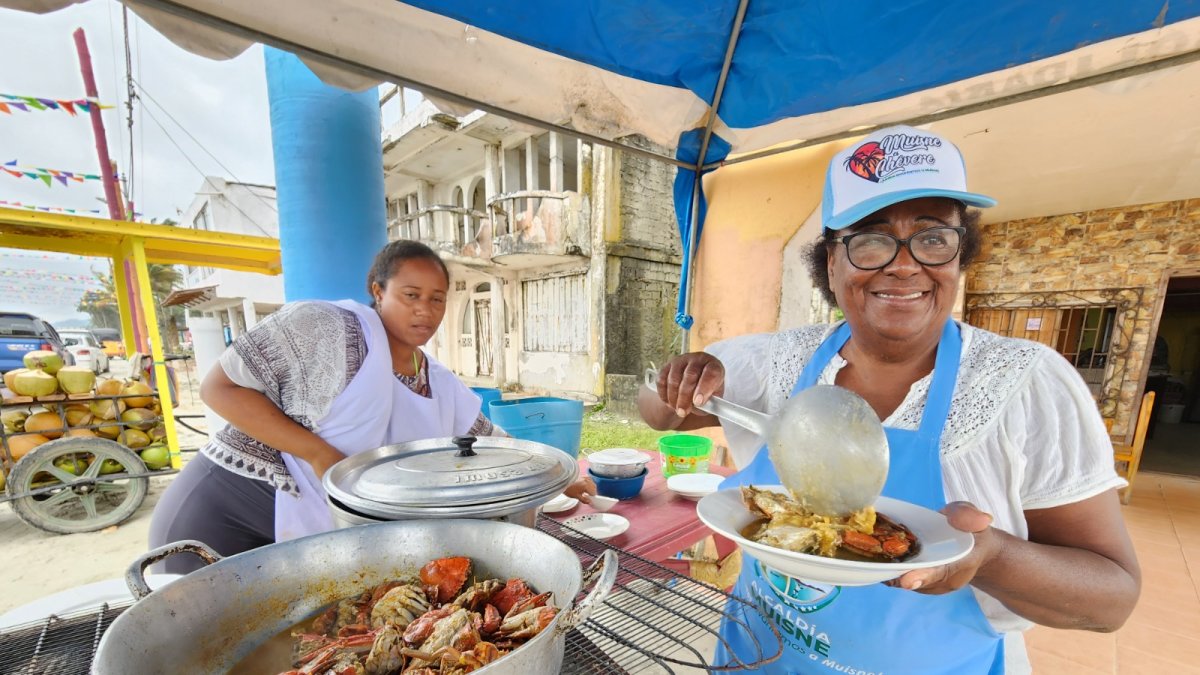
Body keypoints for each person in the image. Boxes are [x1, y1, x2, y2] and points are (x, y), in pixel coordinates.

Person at [639, 126, 1139, 674]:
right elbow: (655, 411)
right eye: (871, 239)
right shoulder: (767, 361)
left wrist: (991, 556)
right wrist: (673, 386)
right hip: (762, 659)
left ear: (959, 256)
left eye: (932, 238)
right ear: (831, 263)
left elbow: (1111, 600)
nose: (903, 265)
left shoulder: (1027, 384)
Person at [151, 240, 594, 572]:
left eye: (437, 298)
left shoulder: (436, 381)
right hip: (220, 519)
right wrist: (320, 454)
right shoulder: (327, 329)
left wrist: (560, 478)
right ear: (377, 290)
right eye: (411, 295)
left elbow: (493, 445)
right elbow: (219, 388)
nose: (426, 310)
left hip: (303, 540)